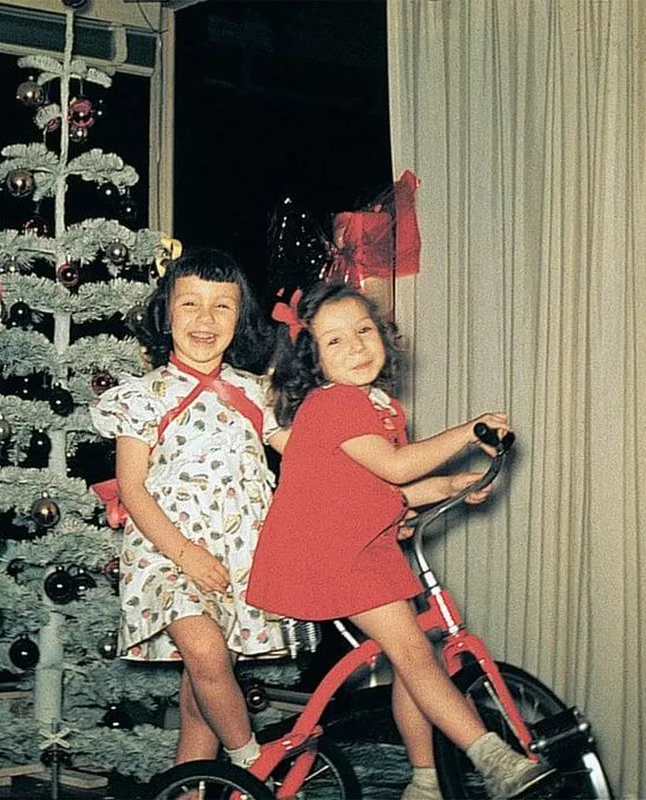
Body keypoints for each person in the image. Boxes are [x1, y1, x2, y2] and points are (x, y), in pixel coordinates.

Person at [247, 281, 555, 800]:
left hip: (364, 547)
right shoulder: (333, 406)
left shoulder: (380, 407)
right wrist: (466, 431)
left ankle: (427, 778)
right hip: (332, 555)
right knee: (413, 651)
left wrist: (456, 484)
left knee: (419, 659)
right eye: (335, 341)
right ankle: (490, 756)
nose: (356, 347)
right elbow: (395, 464)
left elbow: (390, 486)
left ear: (385, 337)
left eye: (364, 331)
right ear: (315, 361)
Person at [90, 247, 287, 772]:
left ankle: (189, 785)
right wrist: (186, 555)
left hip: (238, 559)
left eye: (222, 307)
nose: (205, 319)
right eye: (191, 304)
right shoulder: (144, 395)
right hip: (168, 553)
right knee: (203, 650)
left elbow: (310, 459)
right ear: (166, 312)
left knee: (202, 700)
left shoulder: (256, 392)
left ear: (240, 317)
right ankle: (253, 763)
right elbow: (132, 490)